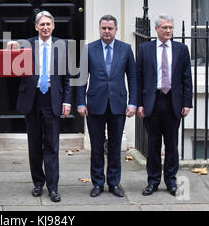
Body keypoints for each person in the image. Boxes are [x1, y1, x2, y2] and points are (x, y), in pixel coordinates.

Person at [8, 11, 72, 203]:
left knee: (52, 145)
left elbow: (68, 76)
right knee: (34, 144)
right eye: (41, 24)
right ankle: (38, 183)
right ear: (36, 27)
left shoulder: (62, 46)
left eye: (48, 24)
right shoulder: (26, 44)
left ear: (53, 26)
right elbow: (10, 57)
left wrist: (67, 101)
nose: (45, 27)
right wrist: (11, 46)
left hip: (52, 99)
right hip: (32, 99)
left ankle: (53, 187)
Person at [76, 15, 137, 198]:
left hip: (118, 104)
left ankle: (114, 182)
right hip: (95, 104)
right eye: (104, 28)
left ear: (116, 30)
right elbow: (81, 78)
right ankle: (97, 183)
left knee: (115, 146)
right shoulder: (89, 49)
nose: (107, 31)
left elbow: (133, 78)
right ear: (99, 29)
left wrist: (133, 102)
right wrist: (80, 102)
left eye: (110, 28)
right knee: (96, 147)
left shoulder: (125, 49)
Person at [137, 14, 192, 196]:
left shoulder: (181, 49)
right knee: (152, 145)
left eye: (170, 28)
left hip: (173, 103)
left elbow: (186, 78)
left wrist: (187, 103)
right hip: (153, 101)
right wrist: (139, 104)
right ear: (156, 29)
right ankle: (153, 181)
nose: (168, 31)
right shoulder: (145, 49)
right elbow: (139, 78)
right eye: (164, 28)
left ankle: (171, 181)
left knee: (172, 144)